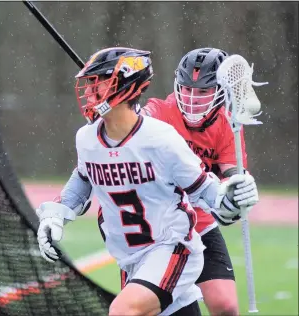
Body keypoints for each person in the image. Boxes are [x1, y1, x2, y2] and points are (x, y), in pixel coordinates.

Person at [34, 47, 259, 316]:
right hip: (133, 252)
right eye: (91, 83)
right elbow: (84, 177)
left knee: (128, 311)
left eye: (99, 82)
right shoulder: (90, 137)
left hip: (173, 241)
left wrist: (234, 193)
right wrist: (57, 214)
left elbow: (211, 190)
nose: (91, 91)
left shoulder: (161, 137)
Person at [140, 47, 253, 315]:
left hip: (198, 221)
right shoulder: (159, 111)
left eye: (202, 92)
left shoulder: (227, 124)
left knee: (226, 307)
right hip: (159, 226)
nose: (192, 99)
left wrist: (242, 188)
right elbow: (138, 122)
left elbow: (231, 175)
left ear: (220, 92)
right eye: (188, 89)